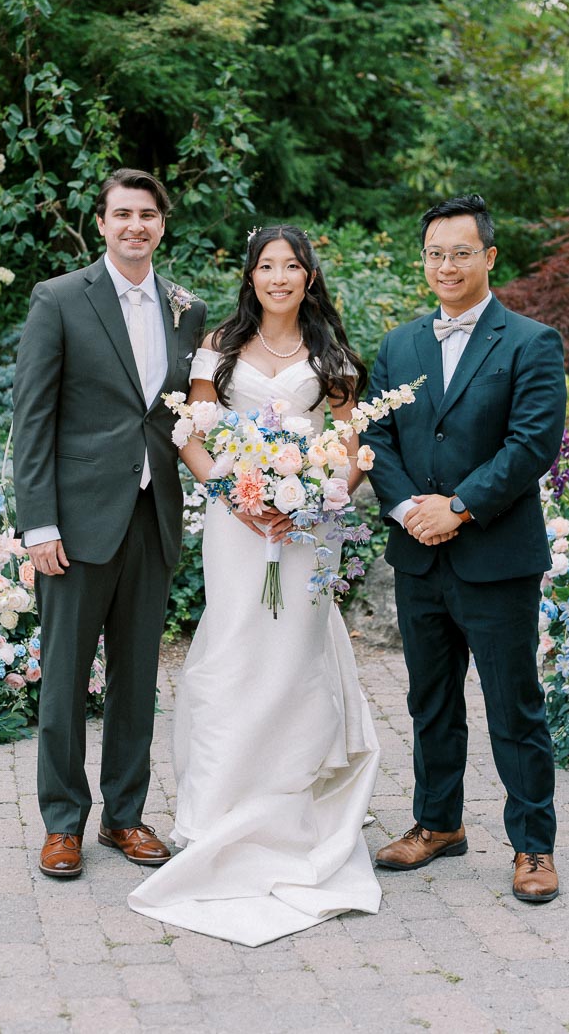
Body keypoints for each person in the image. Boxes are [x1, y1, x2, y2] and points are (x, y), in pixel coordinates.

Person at [128, 225, 381, 946]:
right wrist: (236, 495)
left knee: (295, 656)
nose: (279, 277)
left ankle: (294, 801)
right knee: (236, 648)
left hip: (305, 531)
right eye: (267, 266)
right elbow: (190, 433)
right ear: (251, 275)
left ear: (308, 277)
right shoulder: (220, 350)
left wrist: (323, 493)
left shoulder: (329, 354)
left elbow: (352, 442)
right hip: (238, 528)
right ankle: (218, 809)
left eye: (292, 266)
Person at [365, 193, 566, 903]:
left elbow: (531, 443)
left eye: (459, 252)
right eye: (434, 253)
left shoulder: (531, 342)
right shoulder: (399, 345)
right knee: (429, 699)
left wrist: (458, 508)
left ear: (489, 257)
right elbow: (376, 436)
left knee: (513, 705)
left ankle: (533, 845)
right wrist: (407, 509)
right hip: (419, 556)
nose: (445, 265)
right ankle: (438, 823)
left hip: (496, 556)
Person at [12, 168, 207, 880]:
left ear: (162, 224)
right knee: (63, 677)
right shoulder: (60, 300)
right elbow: (32, 420)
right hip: (77, 521)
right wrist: (39, 525)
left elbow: (187, 411)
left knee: (136, 680)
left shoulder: (188, 309)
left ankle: (125, 816)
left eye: (147, 215)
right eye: (122, 214)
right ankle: (64, 823)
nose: (135, 226)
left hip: (152, 518)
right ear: (102, 223)